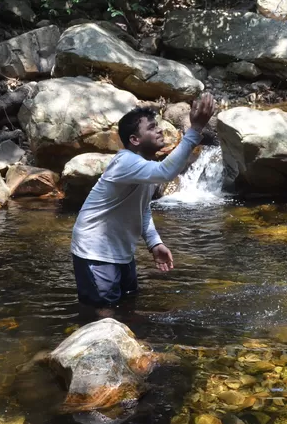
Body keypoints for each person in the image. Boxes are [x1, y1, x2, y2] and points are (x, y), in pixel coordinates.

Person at [70, 93, 217, 308]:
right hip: (95, 252)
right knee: (103, 313)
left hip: (120, 253)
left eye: (157, 125)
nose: (158, 130)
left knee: (128, 305)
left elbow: (143, 209)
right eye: (150, 127)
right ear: (134, 140)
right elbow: (167, 171)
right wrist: (194, 130)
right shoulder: (126, 161)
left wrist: (154, 242)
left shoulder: (143, 168)